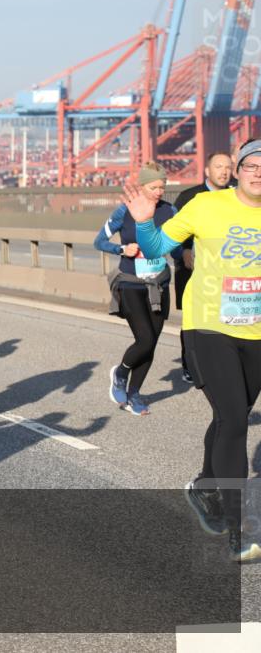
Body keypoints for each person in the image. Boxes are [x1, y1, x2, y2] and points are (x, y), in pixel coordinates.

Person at [127, 139, 261, 562]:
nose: (258, 172)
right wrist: (145, 224)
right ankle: (240, 530)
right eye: (251, 164)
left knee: (228, 417)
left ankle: (205, 488)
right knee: (236, 420)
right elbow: (154, 249)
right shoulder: (206, 207)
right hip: (209, 328)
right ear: (237, 170)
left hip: (256, 332)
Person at [95, 162, 181, 416]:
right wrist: (122, 249)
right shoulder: (125, 211)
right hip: (130, 283)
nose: (158, 192)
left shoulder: (169, 211)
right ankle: (120, 373)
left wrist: (183, 255)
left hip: (159, 285)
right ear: (141, 186)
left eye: (162, 187)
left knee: (151, 343)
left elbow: (174, 246)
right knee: (144, 339)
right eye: (153, 187)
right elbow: (98, 241)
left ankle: (134, 394)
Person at [172, 152, 235, 382]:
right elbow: (173, 232)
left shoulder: (239, 195)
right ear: (207, 170)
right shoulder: (190, 196)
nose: (224, 171)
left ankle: (225, 362)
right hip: (193, 269)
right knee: (194, 318)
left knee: (226, 317)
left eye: (229, 167)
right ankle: (190, 363)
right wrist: (184, 250)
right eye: (219, 166)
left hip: (227, 271)